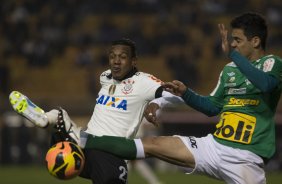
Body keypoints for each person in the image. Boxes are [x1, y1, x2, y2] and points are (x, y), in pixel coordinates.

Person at [51, 12, 281, 183]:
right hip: (214, 147)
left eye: (237, 40)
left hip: (246, 158)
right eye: (232, 40)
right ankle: (81, 139)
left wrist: (232, 56)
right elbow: (212, 107)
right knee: (152, 144)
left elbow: (266, 84)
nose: (232, 44)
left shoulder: (272, 64)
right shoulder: (229, 70)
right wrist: (186, 93)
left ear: (256, 41)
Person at [10, 38, 168, 184]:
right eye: (112, 56)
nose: (116, 62)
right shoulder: (106, 77)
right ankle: (49, 120)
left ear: (133, 61)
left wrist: (156, 103)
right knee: (64, 121)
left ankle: (47, 118)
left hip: (90, 147)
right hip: (110, 152)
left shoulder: (141, 82)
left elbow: (166, 93)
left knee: (61, 116)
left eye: (122, 57)